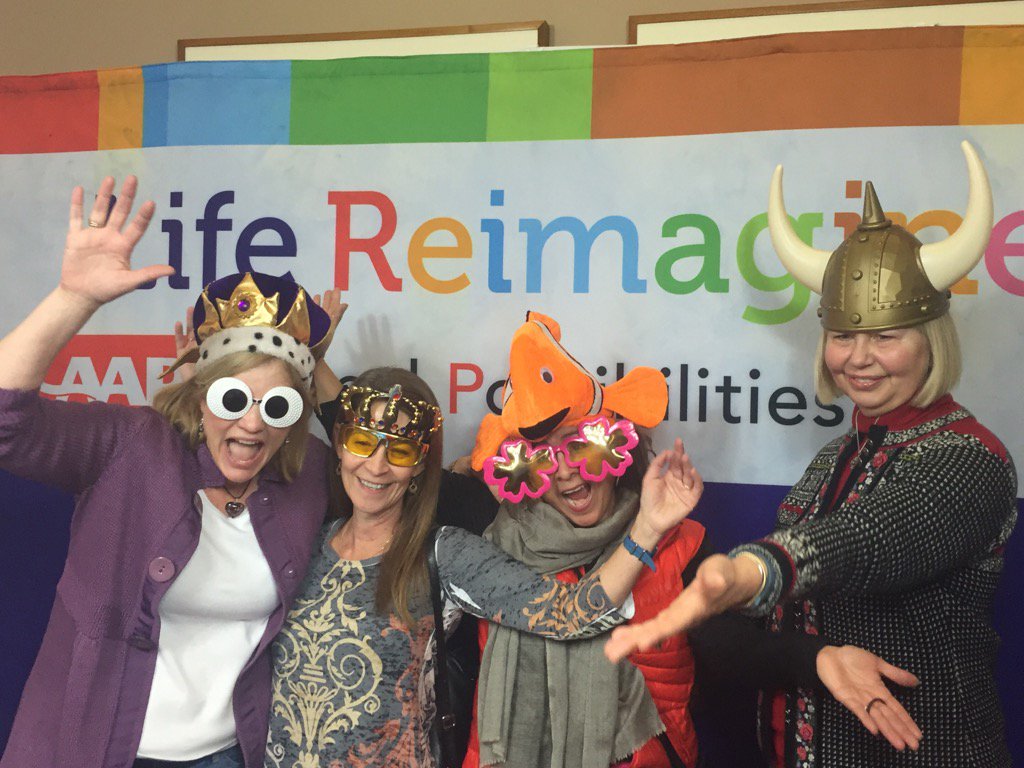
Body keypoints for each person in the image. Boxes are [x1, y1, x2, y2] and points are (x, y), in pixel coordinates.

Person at [606, 141, 1017, 767]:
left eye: (885, 336)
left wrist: (749, 571)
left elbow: (869, 542)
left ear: (931, 339)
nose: (858, 357)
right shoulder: (832, 458)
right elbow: (790, 624)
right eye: (843, 336)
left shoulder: (970, 458)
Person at [462, 312, 920, 768]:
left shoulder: (677, 542)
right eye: (542, 458)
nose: (564, 469)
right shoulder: (496, 544)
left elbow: (728, 648)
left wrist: (817, 659)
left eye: (583, 445)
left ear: (619, 449)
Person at [0, 177, 335, 768]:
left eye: (277, 407)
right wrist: (72, 299)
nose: (253, 425)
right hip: (97, 748)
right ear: (199, 394)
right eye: (234, 400)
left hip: (232, 753)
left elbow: (390, 462)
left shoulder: (308, 475)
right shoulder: (133, 447)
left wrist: (316, 367)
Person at [264, 365, 703, 767]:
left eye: (399, 451)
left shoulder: (445, 554)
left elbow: (572, 614)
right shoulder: (305, 541)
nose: (376, 466)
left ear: (419, 466)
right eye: (362, 443)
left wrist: (647, 527)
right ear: (339, 447)